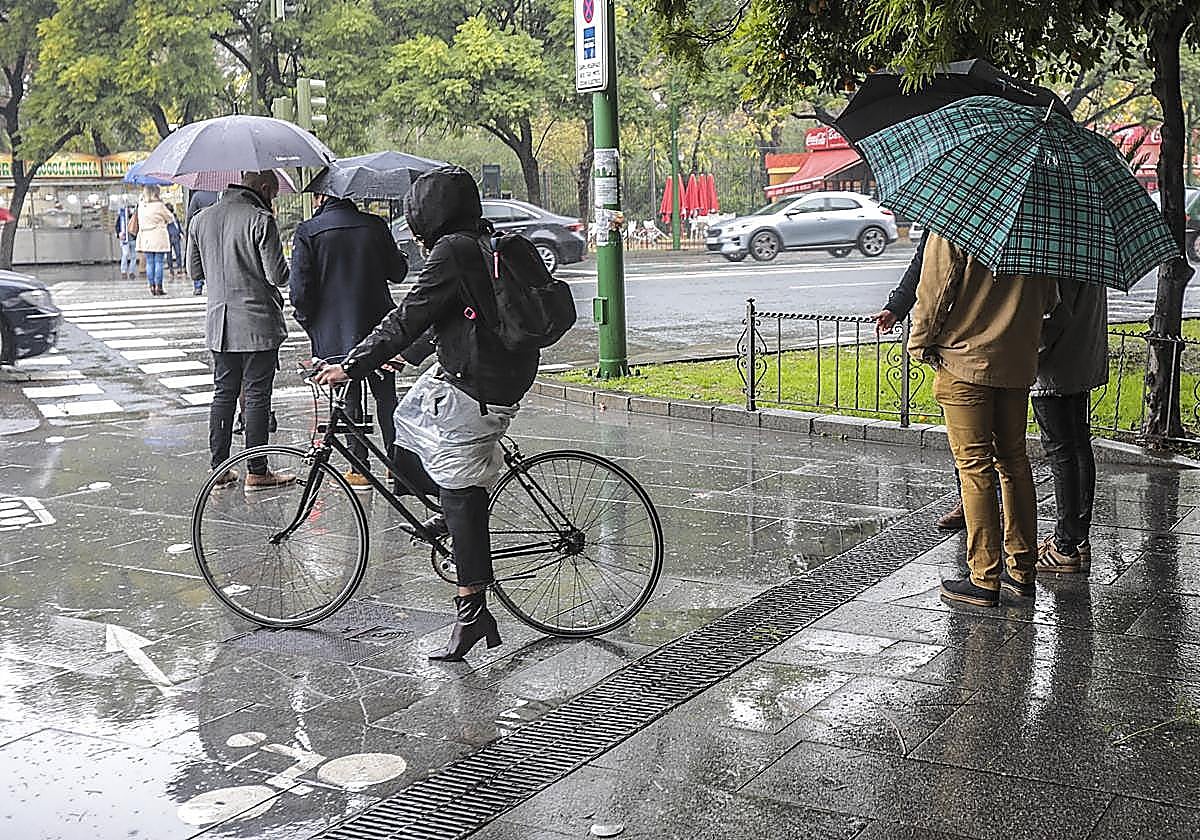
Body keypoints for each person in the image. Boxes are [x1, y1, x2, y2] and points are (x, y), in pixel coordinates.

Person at [315, 166, 540, 662]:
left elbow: (409, 314)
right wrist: (404, 356)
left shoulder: (451, 251)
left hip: (480, 380)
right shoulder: (478, 241)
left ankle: (471, 610)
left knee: (460, 491)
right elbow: (449, 313)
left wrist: (351, 366)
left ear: (428, 217)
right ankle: (451, 508)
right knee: (410, 423)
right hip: (485, 366)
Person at [908, 233, 1057, 608]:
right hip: (1016, 360)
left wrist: (919, 344)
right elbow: (1050, 299)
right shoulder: (1040, 228)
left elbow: (935, 290)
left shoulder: (957, 223)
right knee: (1014, 461)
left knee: (975, 467)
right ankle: (1022, 571)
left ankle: (984, 576)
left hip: (966, 361)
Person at [290, 193, 407, 489]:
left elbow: (300, 291)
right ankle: (397, 465)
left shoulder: (309, 231)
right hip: (377, 324)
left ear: (319, 197)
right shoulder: (375, 226)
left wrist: (310, 322)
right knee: (386, 397)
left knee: (347, 401)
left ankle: (359, 468)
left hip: (333, 330)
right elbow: (398, 272)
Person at [187, 171, 292, 491]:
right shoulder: (261, 220)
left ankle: (219, 467)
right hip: (258, 324)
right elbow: (278, 276)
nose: (273, 200)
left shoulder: (200, 220)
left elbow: (194, 270)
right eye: (273, 194)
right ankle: (258, 471)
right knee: (258, 395)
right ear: (263, 188)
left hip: (219, 325)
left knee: (223, 393)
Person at [873, 235, 967, 531]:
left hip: (966, 348)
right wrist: (896, 307)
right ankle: (1016, 554)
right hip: (1008, 349)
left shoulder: (953, 218)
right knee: (1002, 454)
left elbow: (935, 289)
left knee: (974, 452)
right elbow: (922, 263)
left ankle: (986, 567)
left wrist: (920, 346)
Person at [1032, 279, 1107, 574]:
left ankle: (1064, 547)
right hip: (1079, 359)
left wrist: (1027, 350)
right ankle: (1077, 537)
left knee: (1061, 451)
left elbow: (1053, 315)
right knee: (1077, 445)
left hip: (1055, 367)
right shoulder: (1089, 249)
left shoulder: (1063, 252)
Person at [136, 186, 174, 296]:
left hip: (146, 236)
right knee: (159, 262)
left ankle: (151, 286)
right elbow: (170, 218)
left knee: (149, 262)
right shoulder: (159, 205)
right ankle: (159, 287)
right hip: (158, 236)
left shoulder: (141, 206)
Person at [114, 201, 138, 280]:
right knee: (125, 254)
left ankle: (131, 271)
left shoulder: (134, 217)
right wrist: (119, 234)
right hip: (125, 239)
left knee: (133, 256)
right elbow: (117, 227)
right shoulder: (121, 217)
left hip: (133, 239)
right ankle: (123, 271)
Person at [165, 203, 184, 282]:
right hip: (170, 237)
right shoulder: (166, 218)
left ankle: (176, 269)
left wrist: (181, 233)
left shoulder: (174, 216)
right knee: (171, 254)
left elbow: (178, 226)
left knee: (177, 253)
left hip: (174, 236)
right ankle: (172, 269)